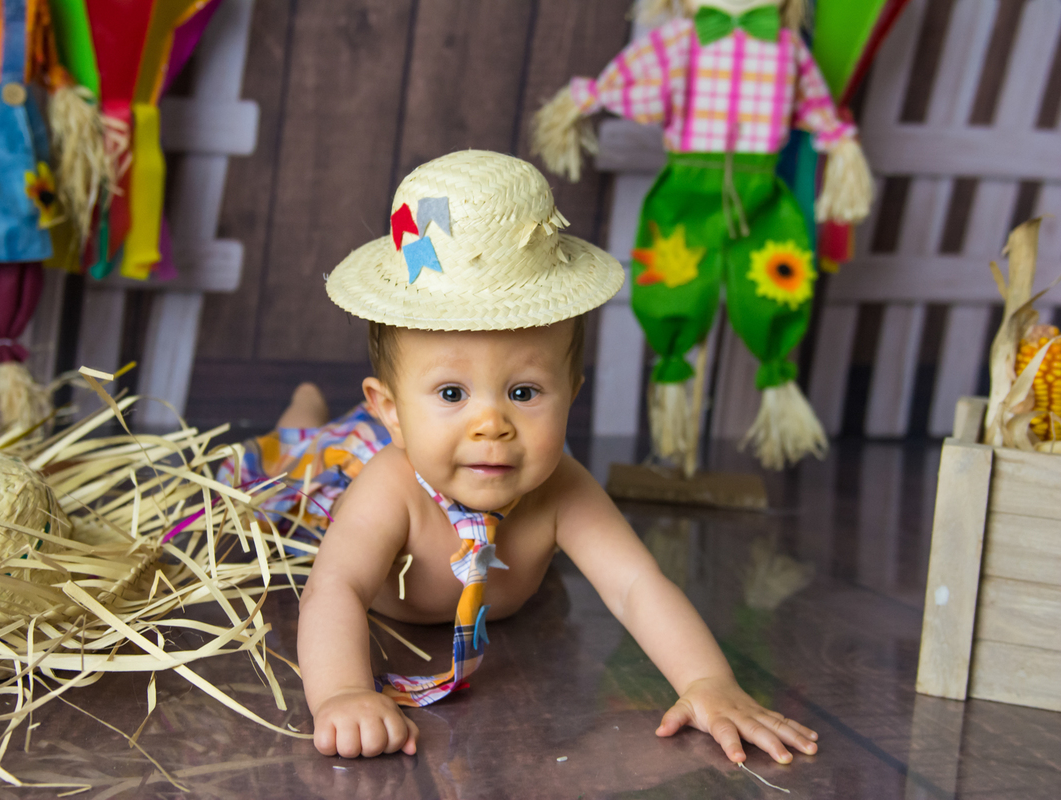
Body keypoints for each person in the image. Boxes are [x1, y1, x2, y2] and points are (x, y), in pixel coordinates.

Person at [224, 150, 818, 763]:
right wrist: (343, 693)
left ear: (572, 395)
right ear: (393, 409)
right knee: (291, 457)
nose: (491, 426)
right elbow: (336, 588)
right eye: (452, 393)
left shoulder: (562, 488)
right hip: (342, 469)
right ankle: (304, 404)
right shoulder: (388, 487)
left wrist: (707, 682)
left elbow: (637, 585)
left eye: (524, 393)